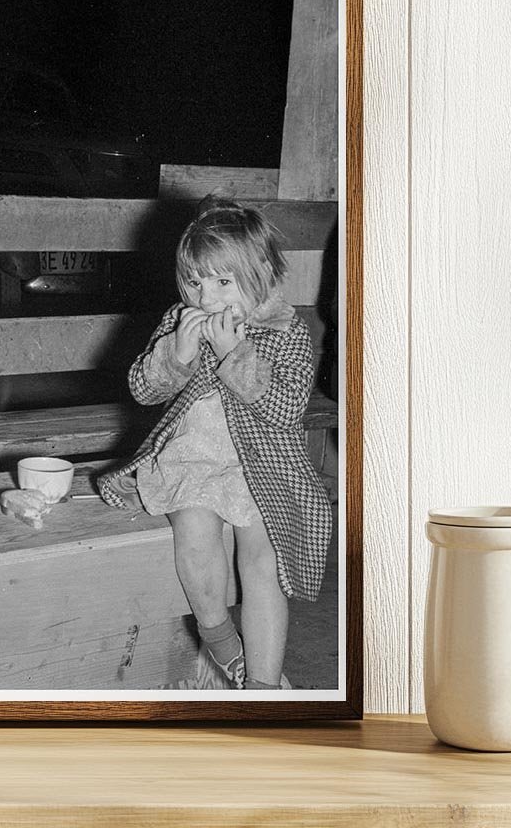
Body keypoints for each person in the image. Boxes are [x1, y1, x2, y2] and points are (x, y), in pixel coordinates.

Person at [98, 197, 332, 690]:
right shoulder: (181, 322)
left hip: (261, 467)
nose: (206, 298)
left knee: (262, 560)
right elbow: (143, 389)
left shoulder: (286, 330)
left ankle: (263, 685)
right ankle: (221, 639)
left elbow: (288, 407)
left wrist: (235, 353)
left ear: (263, 274)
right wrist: (177, 354)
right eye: (195, 281)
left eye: (223, 282)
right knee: (196, 533)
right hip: (194, 458)